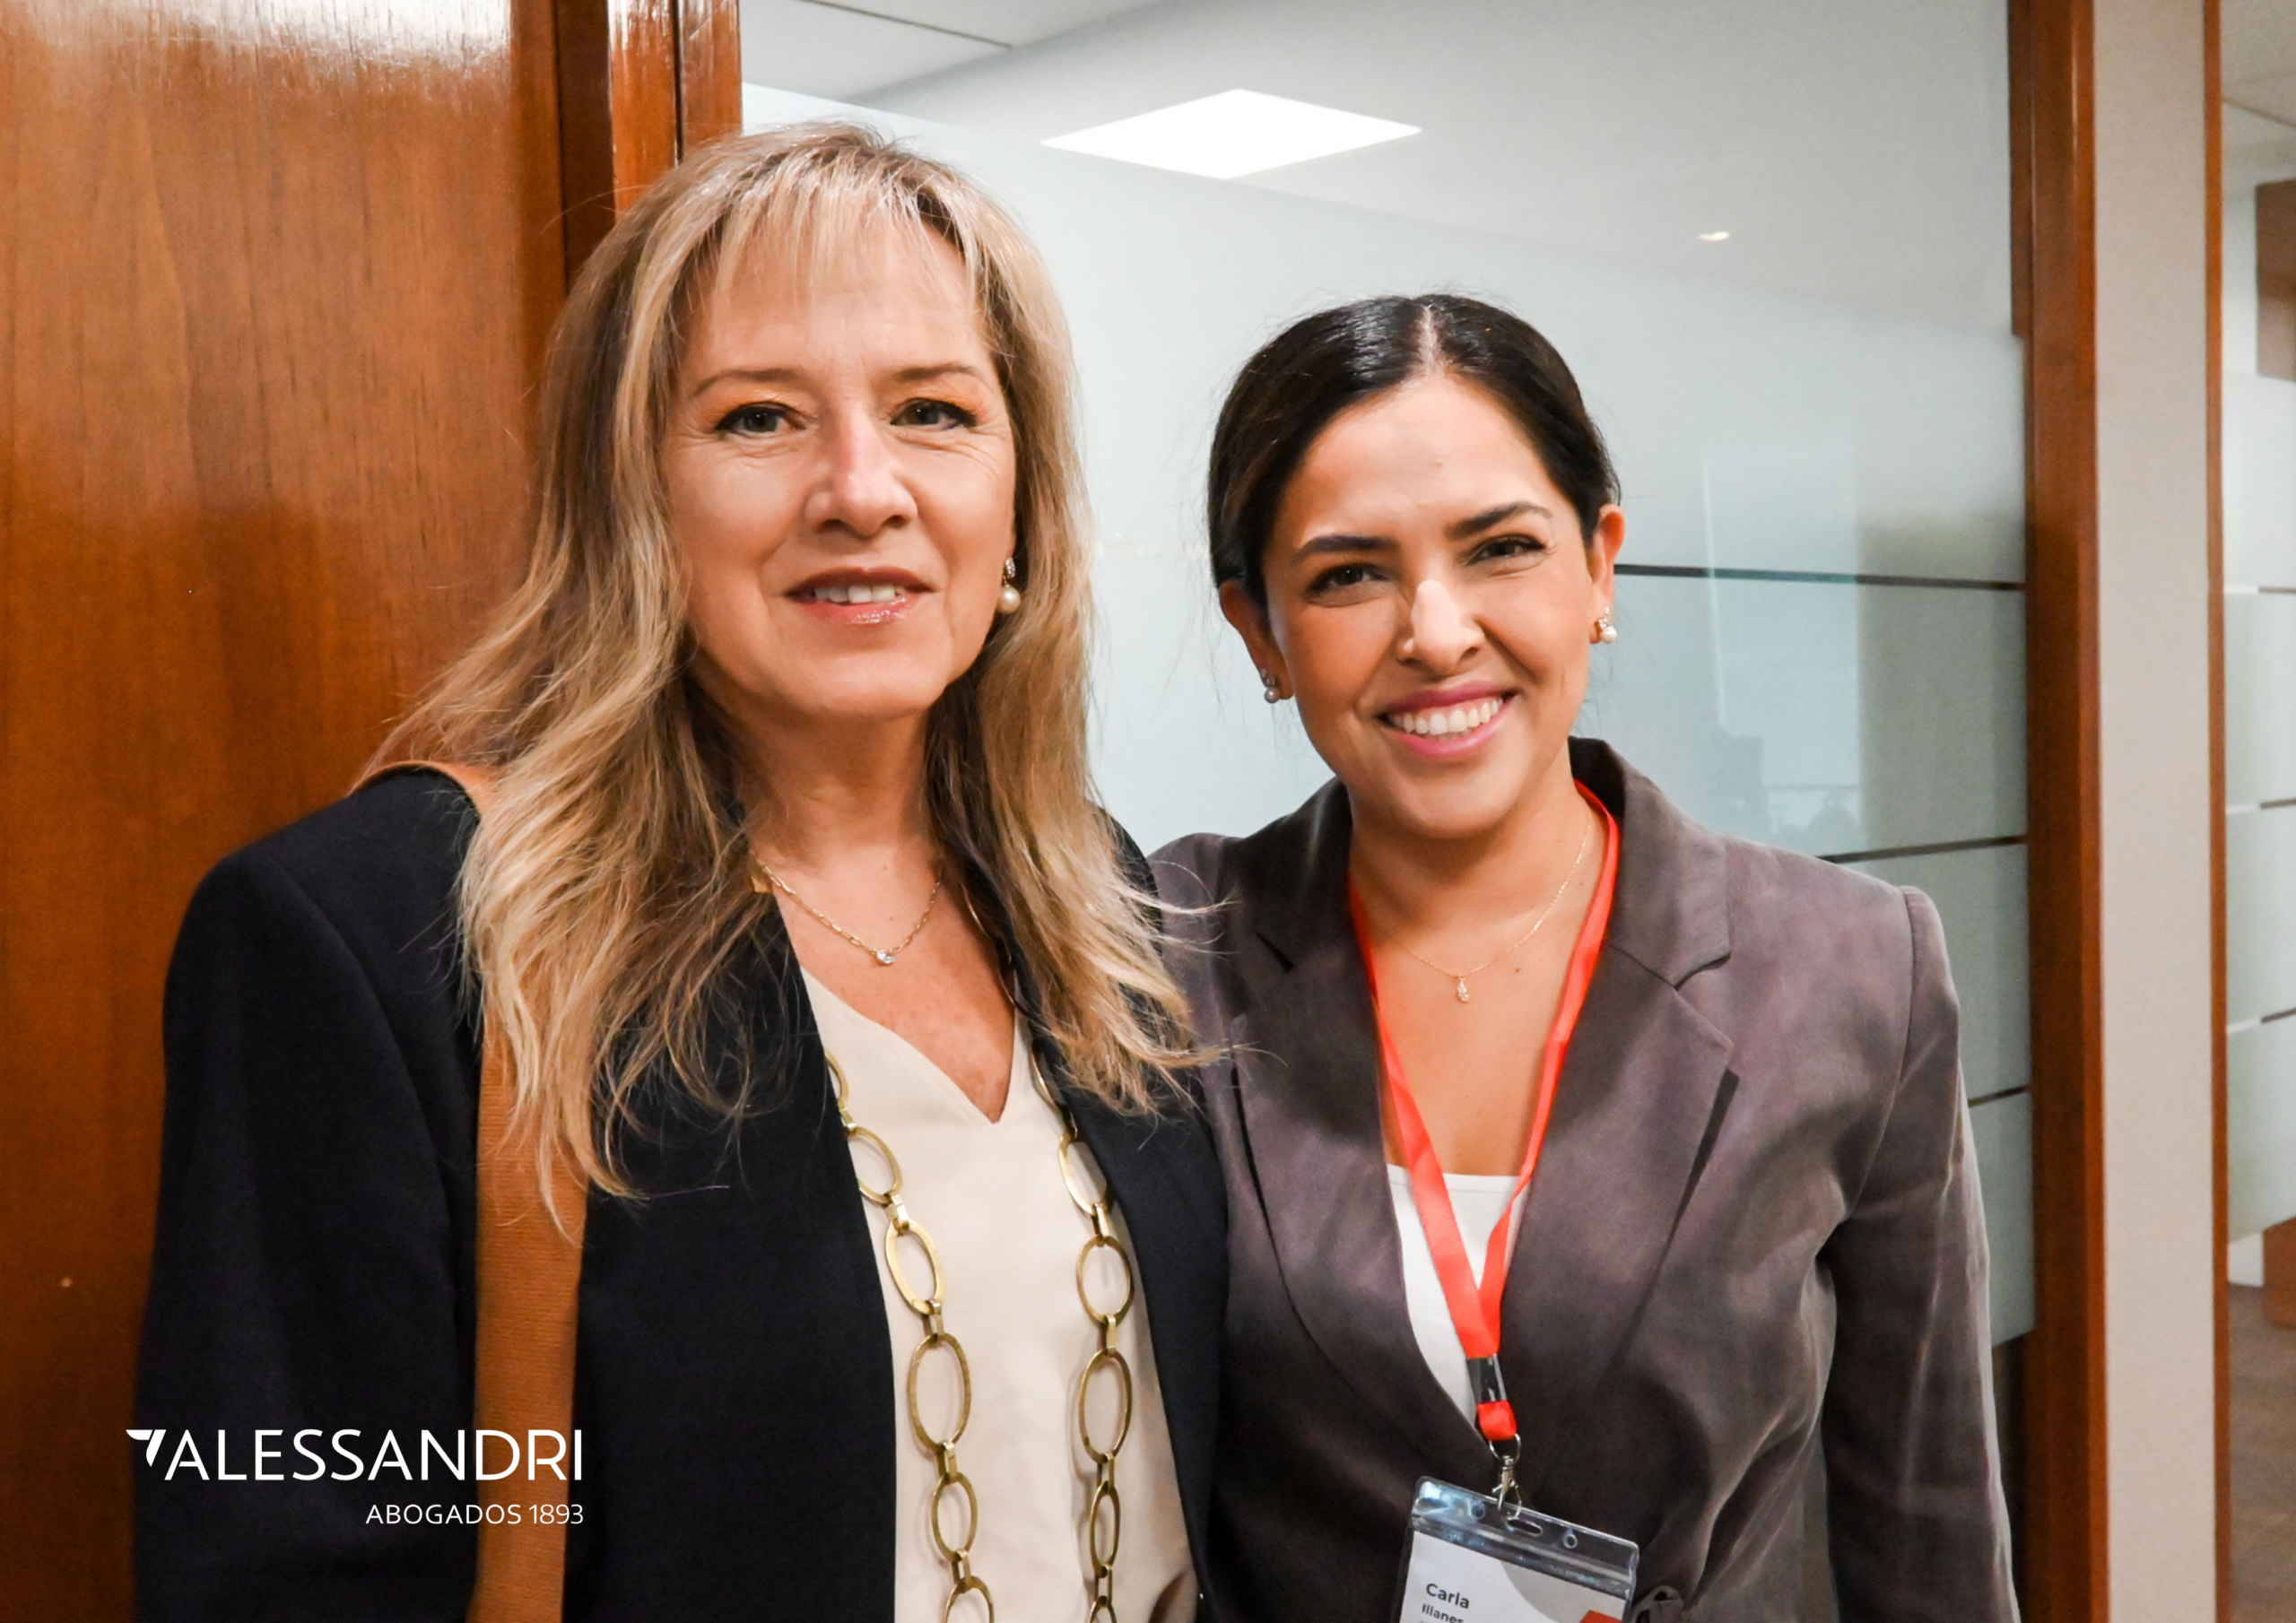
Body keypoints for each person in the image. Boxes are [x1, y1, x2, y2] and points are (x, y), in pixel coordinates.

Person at [136, 125, 1222, 1622]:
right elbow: (288, 1564)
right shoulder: (383, 933)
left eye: (933, 411)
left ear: (1021, 498)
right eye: (759, 417)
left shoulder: (1090, 895)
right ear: (632, 494)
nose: (863, 488)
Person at [1152, 294, 2017, 1622]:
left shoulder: (1847, 969)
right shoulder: (1164, 952)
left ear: (1600, 568)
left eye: (1500, 548)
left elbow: (1928, 1521)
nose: (1437, 631)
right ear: (1260, 629)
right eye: (1348, 575)